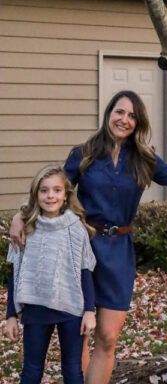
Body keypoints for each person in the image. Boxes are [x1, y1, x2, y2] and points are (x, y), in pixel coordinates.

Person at [9, 90, 167, 384]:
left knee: (108, 337)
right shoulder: (83, 153)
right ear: (109, 113)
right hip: (82, 248)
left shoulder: (145, 158)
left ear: (138, 122)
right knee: (80, 335)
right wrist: (20, 215)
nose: (124, 119)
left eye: (132, 115)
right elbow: (53, 188)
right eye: (119, 112)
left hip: (119, 252)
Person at [5, 164, 96, 384]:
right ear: (35, 195)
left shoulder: (75, 229)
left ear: (65, 195)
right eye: (44, 190)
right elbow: (15, 273)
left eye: (56, 190)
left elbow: (85, 270)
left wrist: (89, 311)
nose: (50, 196)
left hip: (71, 309)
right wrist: (10, 316)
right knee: (31, 370)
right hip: (36, 308)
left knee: (73, 371)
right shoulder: (25, 229)